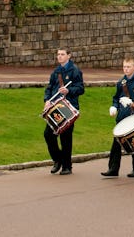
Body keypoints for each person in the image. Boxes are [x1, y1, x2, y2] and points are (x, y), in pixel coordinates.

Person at [101, 57, 134, 178]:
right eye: (124, 67)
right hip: (122, 117)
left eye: (128, 67)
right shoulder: (121, 82)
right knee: (116, 144)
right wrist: (114, 107)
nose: (126, 69)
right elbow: (116, 98)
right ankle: (113, 169)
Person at [43, 47, 84, 175]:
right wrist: (47, 100)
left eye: (62, 54)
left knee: (66, 138)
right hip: (56, 107)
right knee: (48, 134)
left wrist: (68, 91)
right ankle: (58, 160)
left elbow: (81, 88)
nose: (59, 56)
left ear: (69, 56)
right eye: (58, 54)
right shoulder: (56, 71)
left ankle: (67, 166)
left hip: (68, 107)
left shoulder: (75, 71)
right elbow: (49, 88)